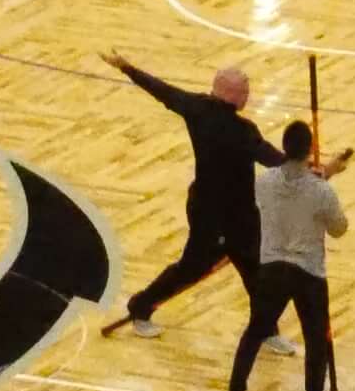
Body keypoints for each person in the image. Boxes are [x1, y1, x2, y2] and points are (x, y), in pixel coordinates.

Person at [106, 57, 272, 335]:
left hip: (230, 211)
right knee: (191, 269)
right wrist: (311, 171)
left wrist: (128, 68)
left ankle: (267, 330)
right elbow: (275, 160)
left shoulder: (197, 108)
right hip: (216, 215)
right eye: (245, 91)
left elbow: (161, 90)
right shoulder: (242, 131)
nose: (248, 96)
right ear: (233, 94)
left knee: (256, 272)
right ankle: (141, 306)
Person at [234, 119, 351, 391]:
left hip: (272, 266)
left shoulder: (264, 182)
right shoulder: (321, 191)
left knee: (256, 330)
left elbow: (292, 184)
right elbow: (339, 229)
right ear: (310, 149)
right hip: (308, 271)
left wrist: (326, 172)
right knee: (316, 339)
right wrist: (324, 178)